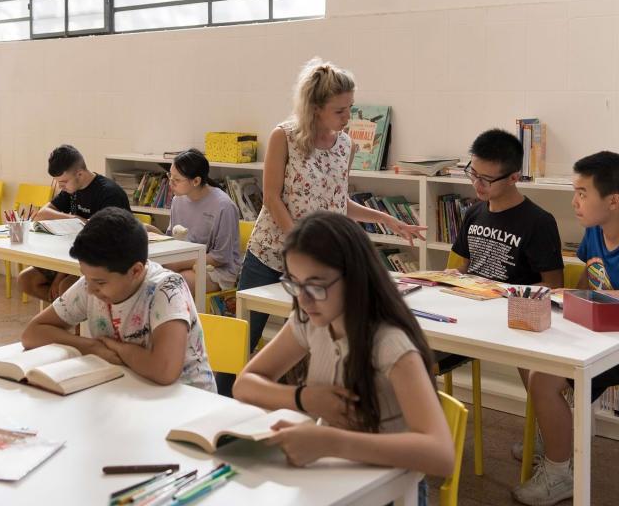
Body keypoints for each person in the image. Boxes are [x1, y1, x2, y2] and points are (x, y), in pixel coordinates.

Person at [233, 211, 453, 505]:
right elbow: (245, 385)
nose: (303, 300)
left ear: (354, 277)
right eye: (294, 284)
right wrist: (306, 399)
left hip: (391, 490)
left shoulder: (389, 343)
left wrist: (331, 442)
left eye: (316, 285)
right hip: (334, 478)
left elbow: (440, 455)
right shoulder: (310, 320)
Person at [242, 58, 425, 351]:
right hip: (271, 253)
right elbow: (271, 198)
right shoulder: (284, 137)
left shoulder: (345, 145)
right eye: (340, 110)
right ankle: (222, 393)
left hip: (318, 262)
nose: (347, 117)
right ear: (315, 108)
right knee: (245, 336)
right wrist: (298, 244)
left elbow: (338, 201)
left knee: (315, 342)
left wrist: (388, 219)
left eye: (350, 107)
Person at [513, 151, 619, 506]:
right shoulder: (595, 231)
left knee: (543, 378)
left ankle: (560, 474)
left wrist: (592, 295)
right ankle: (558, 438)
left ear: (613, 201)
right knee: (529, 357)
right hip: (603, 333)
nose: (574, 201)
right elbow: (591, 274)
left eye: (582, 193)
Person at [22, 207, 216, 392]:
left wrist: (119, 349)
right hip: (128, 388)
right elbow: (32, 333)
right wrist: (92, 347)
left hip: (186, 400)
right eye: (86, 277)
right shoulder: (93, 283)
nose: (90, 289)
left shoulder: (166, 289)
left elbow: (164, 371)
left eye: (99, 282)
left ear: (136, 271)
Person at [446, 129, 564, 422]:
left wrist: (503, 294)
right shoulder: (474, 213)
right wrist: (450, 276)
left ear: (514, 177)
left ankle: (547, 437)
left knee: (535, 365)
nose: (476, 184)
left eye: (486, 179)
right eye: (472, 173)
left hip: (515, 319)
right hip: (471, 313)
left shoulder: (538, 222)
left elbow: (554, 286)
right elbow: (463, 267)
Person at [19, 145, 130, 302]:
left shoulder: (109, 194)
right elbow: (42, 214)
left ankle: (75, 316)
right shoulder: (72, 189)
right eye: (58, 182)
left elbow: (102, 245)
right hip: (73, 258)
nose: (60, 187)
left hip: (105, 261)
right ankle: (68, 314)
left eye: (63, 182)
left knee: (66, 287)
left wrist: (59, 277)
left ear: (79, 173)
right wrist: (75, 219)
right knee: (26, 280)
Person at [165, 148, 241, 295]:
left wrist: (177, 263)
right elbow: (173, 239)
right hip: (187, 261)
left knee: (176, 283)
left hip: (218, 270)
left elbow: (221, 257)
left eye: (176, 180)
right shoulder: (178, 200)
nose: (170, 183)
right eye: (169, 176)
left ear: (196, 181)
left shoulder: (223, 206)